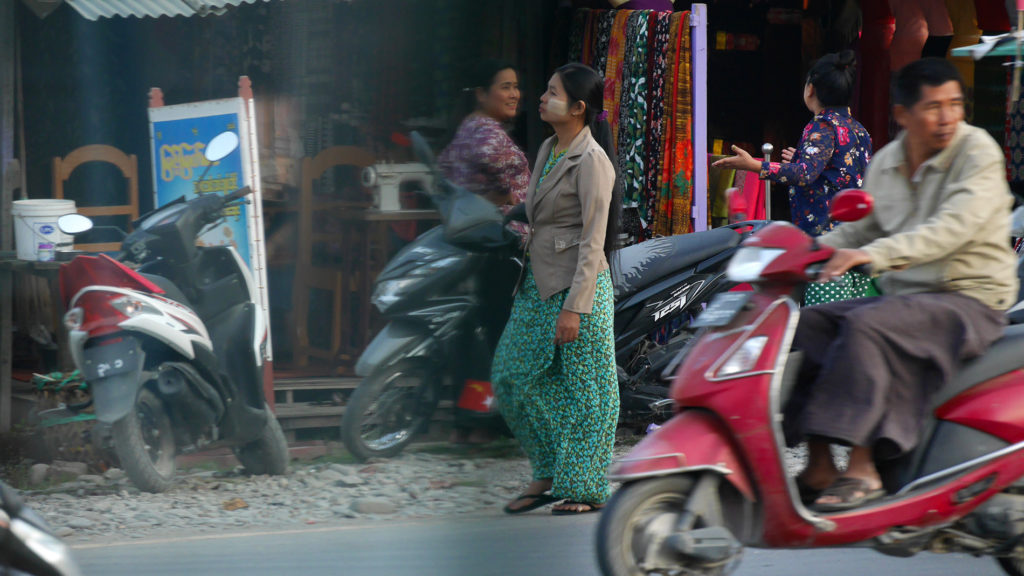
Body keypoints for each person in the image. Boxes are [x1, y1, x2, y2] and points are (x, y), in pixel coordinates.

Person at [785, 58, 1017, 512]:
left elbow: (953, 227)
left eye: (955, 104)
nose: (948, 117)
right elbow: (859, 228)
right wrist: (804, 254)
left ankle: (863, 467)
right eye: (933, 107)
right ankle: (817, 464)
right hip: (907, 299)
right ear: (903, 114)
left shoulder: (978, 152)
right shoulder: (888, 161)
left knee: (867, 326)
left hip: (969, 299)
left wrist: (873, 255)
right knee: (806, 325)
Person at [492, 62, 621, 515]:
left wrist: (574, 308)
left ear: (579, 108)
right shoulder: (549, 146)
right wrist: (507, 215)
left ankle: (584, 487)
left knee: (588, 389)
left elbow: (594, 241)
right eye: (544, 90)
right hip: (536, 283)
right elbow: (539, 209)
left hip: (577, 290)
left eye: (552, 93)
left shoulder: (592, 162)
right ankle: (548, 470)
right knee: (511, 376)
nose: (542, 98)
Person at [713, 50, 873, 304]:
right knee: (847, 324)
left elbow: (804, 174)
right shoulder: (859, 130)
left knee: (821, 326)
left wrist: (754, 165)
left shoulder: (822, 126)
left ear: (810, 88)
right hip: (856, 247)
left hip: (826, 249)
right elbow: (839, 174)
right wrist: (800, 160)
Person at [436, 59, 531, 446]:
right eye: (505, 86)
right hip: (500, 249)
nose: (514, 94)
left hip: (484, 247)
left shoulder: (469, 130)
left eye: (516, 86)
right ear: (481, 93)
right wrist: (503, 197)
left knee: (483, 337)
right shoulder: (487, 136)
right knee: (498, 338)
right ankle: (488, 420)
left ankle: (475, 418)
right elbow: (514, 189)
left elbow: (448, 173)